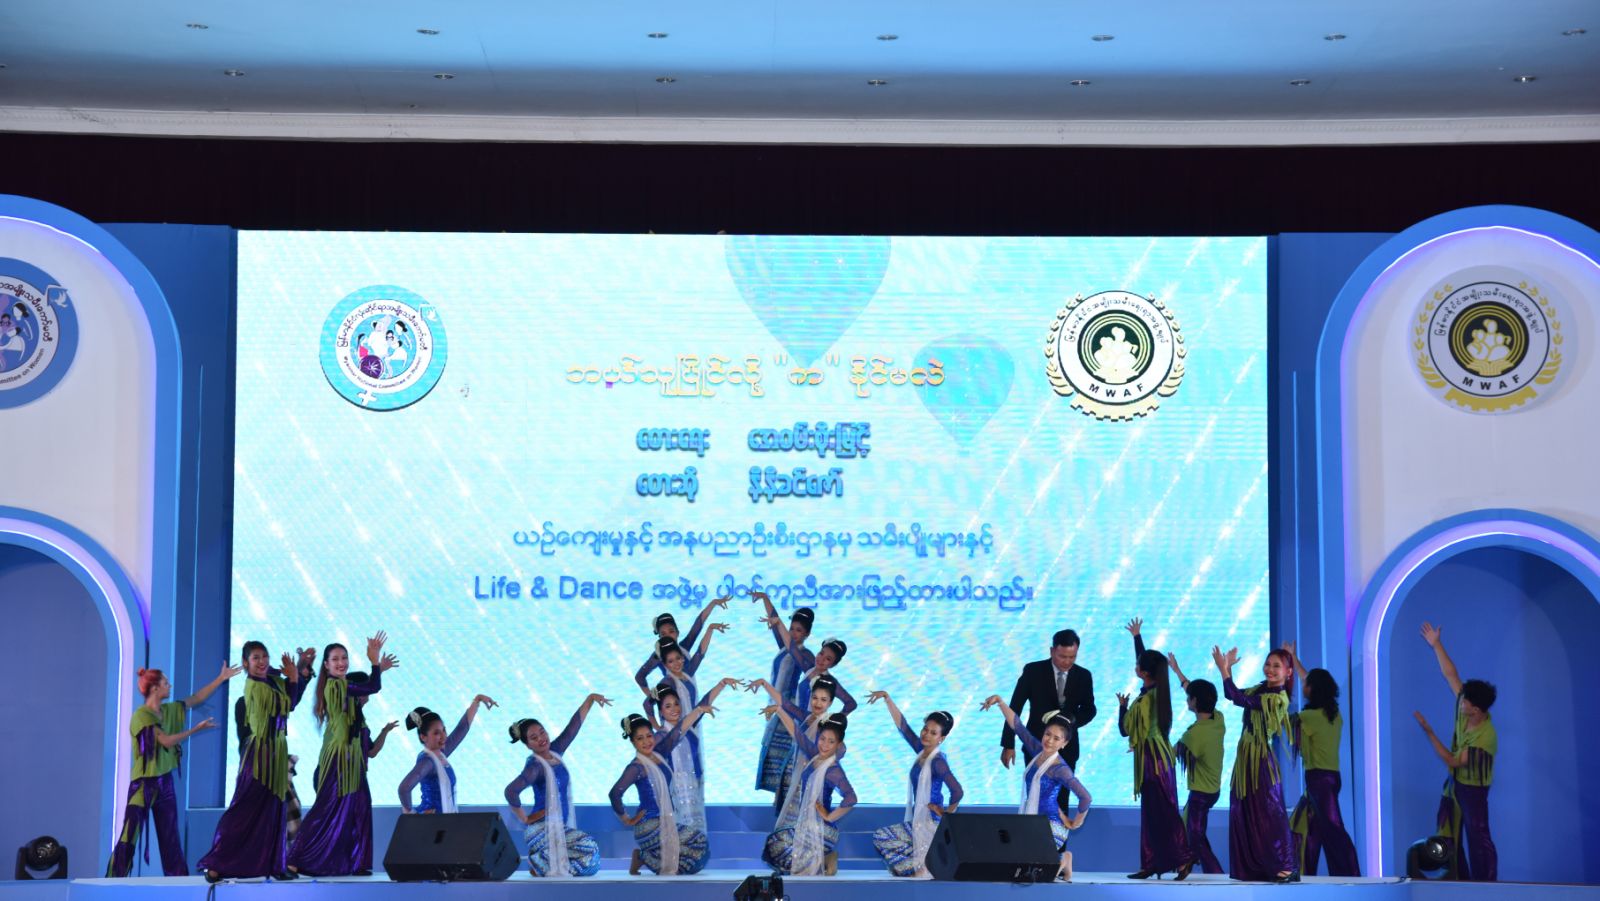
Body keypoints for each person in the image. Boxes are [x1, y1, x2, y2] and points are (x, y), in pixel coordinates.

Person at [106, 662, 239, 877]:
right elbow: (165, 741)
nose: (170, 685)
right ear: (155, 688)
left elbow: (196, 698)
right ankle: (113, 879)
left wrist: (220, 678)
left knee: (170, 838)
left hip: (164, 782)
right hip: (144, 784)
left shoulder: (169, 710)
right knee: (129, 835)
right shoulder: (142, 716)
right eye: (166, 683)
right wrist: (195, 730)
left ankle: (178, 881)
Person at [199, 642, 316, 882]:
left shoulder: (271, 681)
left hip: (277, 753)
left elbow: (292, 695)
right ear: (245, 663)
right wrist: (294, 677)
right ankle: (216, 863)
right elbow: (287, 703)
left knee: (275, 810)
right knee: (243, 810)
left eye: (264, 656)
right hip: (259, 757)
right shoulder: (255, 687)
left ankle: (276, 865)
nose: (262, 661)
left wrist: (301, 668)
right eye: (255, 658)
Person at [286, 634, 400, 876]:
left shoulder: (347, 691)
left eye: (344, 658)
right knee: (324, 809)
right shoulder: (335, 685)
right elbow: (370, 687)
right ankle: (293, 858)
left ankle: (358, 863)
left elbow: (365, 689)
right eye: (335, 659)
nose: (341, 663)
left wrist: (379, 669)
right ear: (326, 665)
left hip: (354, 762)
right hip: (338, 760)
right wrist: (375, 661)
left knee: (360, 808)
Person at [1414, 622, 1498, 881]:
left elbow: (1453, 760)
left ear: (1476, 710)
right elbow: (1451, 674)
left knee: (1478, 835)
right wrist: (1436, 644)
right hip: (1455, 784)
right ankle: (1456, 880)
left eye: (1466, 702)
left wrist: (1429, 732)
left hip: (1474, 790)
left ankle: (1486, 886)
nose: (1461, 701)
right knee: (1447, 833)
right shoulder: (1467, 710)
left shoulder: (1485, 737)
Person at [981, 696, 1091, 881]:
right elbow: (1018, 726)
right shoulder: (1037, 749)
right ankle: (1061, 859)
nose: (1049, 741)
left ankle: (1063, 859)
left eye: (1056, 738)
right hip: (1030, 820)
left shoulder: (1060, 769)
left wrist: (1075, 823)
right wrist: (1000, 702)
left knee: (1036, 874)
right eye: (1048, 734)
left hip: (1050, 826)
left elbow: (1085, 797)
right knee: (1018, 868)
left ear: (1064, 743)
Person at [505, 692, 613, 877]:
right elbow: (511, 791)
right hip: (540, 830)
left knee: (593, 864)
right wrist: (526, 818)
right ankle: (540, 861)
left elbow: (572, 729)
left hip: (558, 828)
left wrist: (590, 699)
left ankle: (542, 861)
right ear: (528, 745)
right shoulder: (535, 766)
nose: (541, 738)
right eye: (534, 737)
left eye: (542, 732)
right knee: (590, 848)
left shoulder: (555, 751)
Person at [1215, 644, 1297, 882]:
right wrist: (1228, 669)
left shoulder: (1278, 698)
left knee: (1271, 812)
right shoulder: (1261, 689)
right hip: (1245, 759)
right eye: (1268, 664)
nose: (1270, 669)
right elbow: (1232, 695)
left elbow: (1239, 698)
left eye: (1276, 666)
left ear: (1288, 672)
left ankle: (1286, 866)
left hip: (1260, 759)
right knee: (1245, 810)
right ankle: (1257, 866)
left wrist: (1224, 670)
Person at [1120, 619, 1193, 880]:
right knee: (1157, 810)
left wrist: (1122, 708)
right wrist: (1137, 638)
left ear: (1143, 673)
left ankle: (1181, 857)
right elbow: (1148, 661)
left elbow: (1126, 729)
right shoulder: (1158, 689)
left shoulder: (1144, 701)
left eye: (1138, 666)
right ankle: (1152, 863)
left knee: (1160, 811)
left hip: (1152, 759)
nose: (1136, 667)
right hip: (1160, 756)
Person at [1281, 645, 1361, 877]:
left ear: (1313, 690)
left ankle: (1351, 878)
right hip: (1329, 779)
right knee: (1306, 828)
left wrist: (1279, 692)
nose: (1303, 685)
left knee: (1334, 830)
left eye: (1307, 685)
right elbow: (1307, 677)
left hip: (1319, 780)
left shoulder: (1309, 717)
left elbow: (1283, 721)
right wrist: (1293, 658)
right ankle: (1303, 874)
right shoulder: (1332, 714)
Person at [866, 691, 963, 877]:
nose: (926, 734)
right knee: (883, 838)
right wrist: (887, 698)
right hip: (919, 821)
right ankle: (921, 864)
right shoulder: (922, 750)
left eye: (933, 733)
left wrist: (946, 814)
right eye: (925, 729)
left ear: (941, 738)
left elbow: (957, 791)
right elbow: (904, 727)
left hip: (930, 823)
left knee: (881, 836)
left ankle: (922, 866)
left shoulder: (938, 762)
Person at [608, 710, 714, 876]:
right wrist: (626, 819)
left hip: (666, 821)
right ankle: (644, 857)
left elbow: (679, 730)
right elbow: (615, 793)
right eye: (640, 738)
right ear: (633, 742)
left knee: (700, 848)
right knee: (686, 858)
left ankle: (644, 856)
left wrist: (700, 710)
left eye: (649, 736)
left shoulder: (660, 753)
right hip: (647, 826)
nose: (646, 742)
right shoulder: (636, 767)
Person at [762, 712, 857, 876]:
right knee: (774, 845)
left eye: (831, 742)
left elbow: (851, 798)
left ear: (838, 745)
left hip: (823, 830)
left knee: (785, 853)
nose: (825, 745)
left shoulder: (833, 770)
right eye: (822, 739)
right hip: (805, 824)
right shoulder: (815, 755)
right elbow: (796, 733)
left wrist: (829, 817)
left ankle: (824, 858)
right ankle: (824, 858)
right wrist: (779, 709)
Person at [650, 676, 741, 837]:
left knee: (695, 834)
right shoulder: (660, 736)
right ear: (661, 712)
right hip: (673, 796)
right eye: (668, 706)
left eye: (677, 704)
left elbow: (703, 704)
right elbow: (675, 736)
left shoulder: (688, 727)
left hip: (692, 789)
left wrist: (721, 684)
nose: (674, 709)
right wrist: (698, 711)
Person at [1001, 629, 1096, 772]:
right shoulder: (1033, 671)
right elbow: (1015, 707)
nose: (1067, 662)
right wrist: (1008, 744)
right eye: (1062, 656)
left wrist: (1069, 721)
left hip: (1067, 748)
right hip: (1035, 744)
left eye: (1072, 657)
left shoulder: (1084, 675)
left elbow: (1089, 710)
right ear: (1052, 651)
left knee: (1065, 788)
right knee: (1034, 787)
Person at [1167, 652, 1225, 875]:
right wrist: (1177, 671)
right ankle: (1192, 869)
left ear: (1194, 702)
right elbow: (1194, 689)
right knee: (1193, 833)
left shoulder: (1194, 735)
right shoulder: (1217, 718)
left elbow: (1169, 754)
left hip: (1201, 794)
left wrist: (1144, 746)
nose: (1187, 699)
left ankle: (1218, 877)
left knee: (1195, 838)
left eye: (1189, 697)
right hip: (1213, 790)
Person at [752, 593, 815, 794]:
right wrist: (764, 598)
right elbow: (775, 623)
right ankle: (779, 799)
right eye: (791, 629)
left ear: (807, 634)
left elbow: (814, 681)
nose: (794, 633)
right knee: (773, 754)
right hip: (775, 706)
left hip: (788, 708)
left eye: (799, 630)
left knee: (787, 756)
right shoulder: (784, 648)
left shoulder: (805, 654)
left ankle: (787, 797)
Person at [398, 694, 498, 813]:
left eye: (444, 730)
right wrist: (412, 815)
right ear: (423, 737)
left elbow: (461, 729)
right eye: (436, 733)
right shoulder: (428, 762)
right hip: (434, 823)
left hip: (446, 821)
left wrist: (477, 700)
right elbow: (404, 789)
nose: (443, 736)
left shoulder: (440, 753)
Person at [633, 598, 729, 696]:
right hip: (675, 701)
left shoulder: (684, 646)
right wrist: (653, 697)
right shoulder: (658, 656)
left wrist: (713, 603)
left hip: (691, 697)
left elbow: (698, 624)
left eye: (671, 631)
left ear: (677, 633)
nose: (668, 636)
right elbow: (639, 677)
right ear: (660, 638)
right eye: (663, 634)